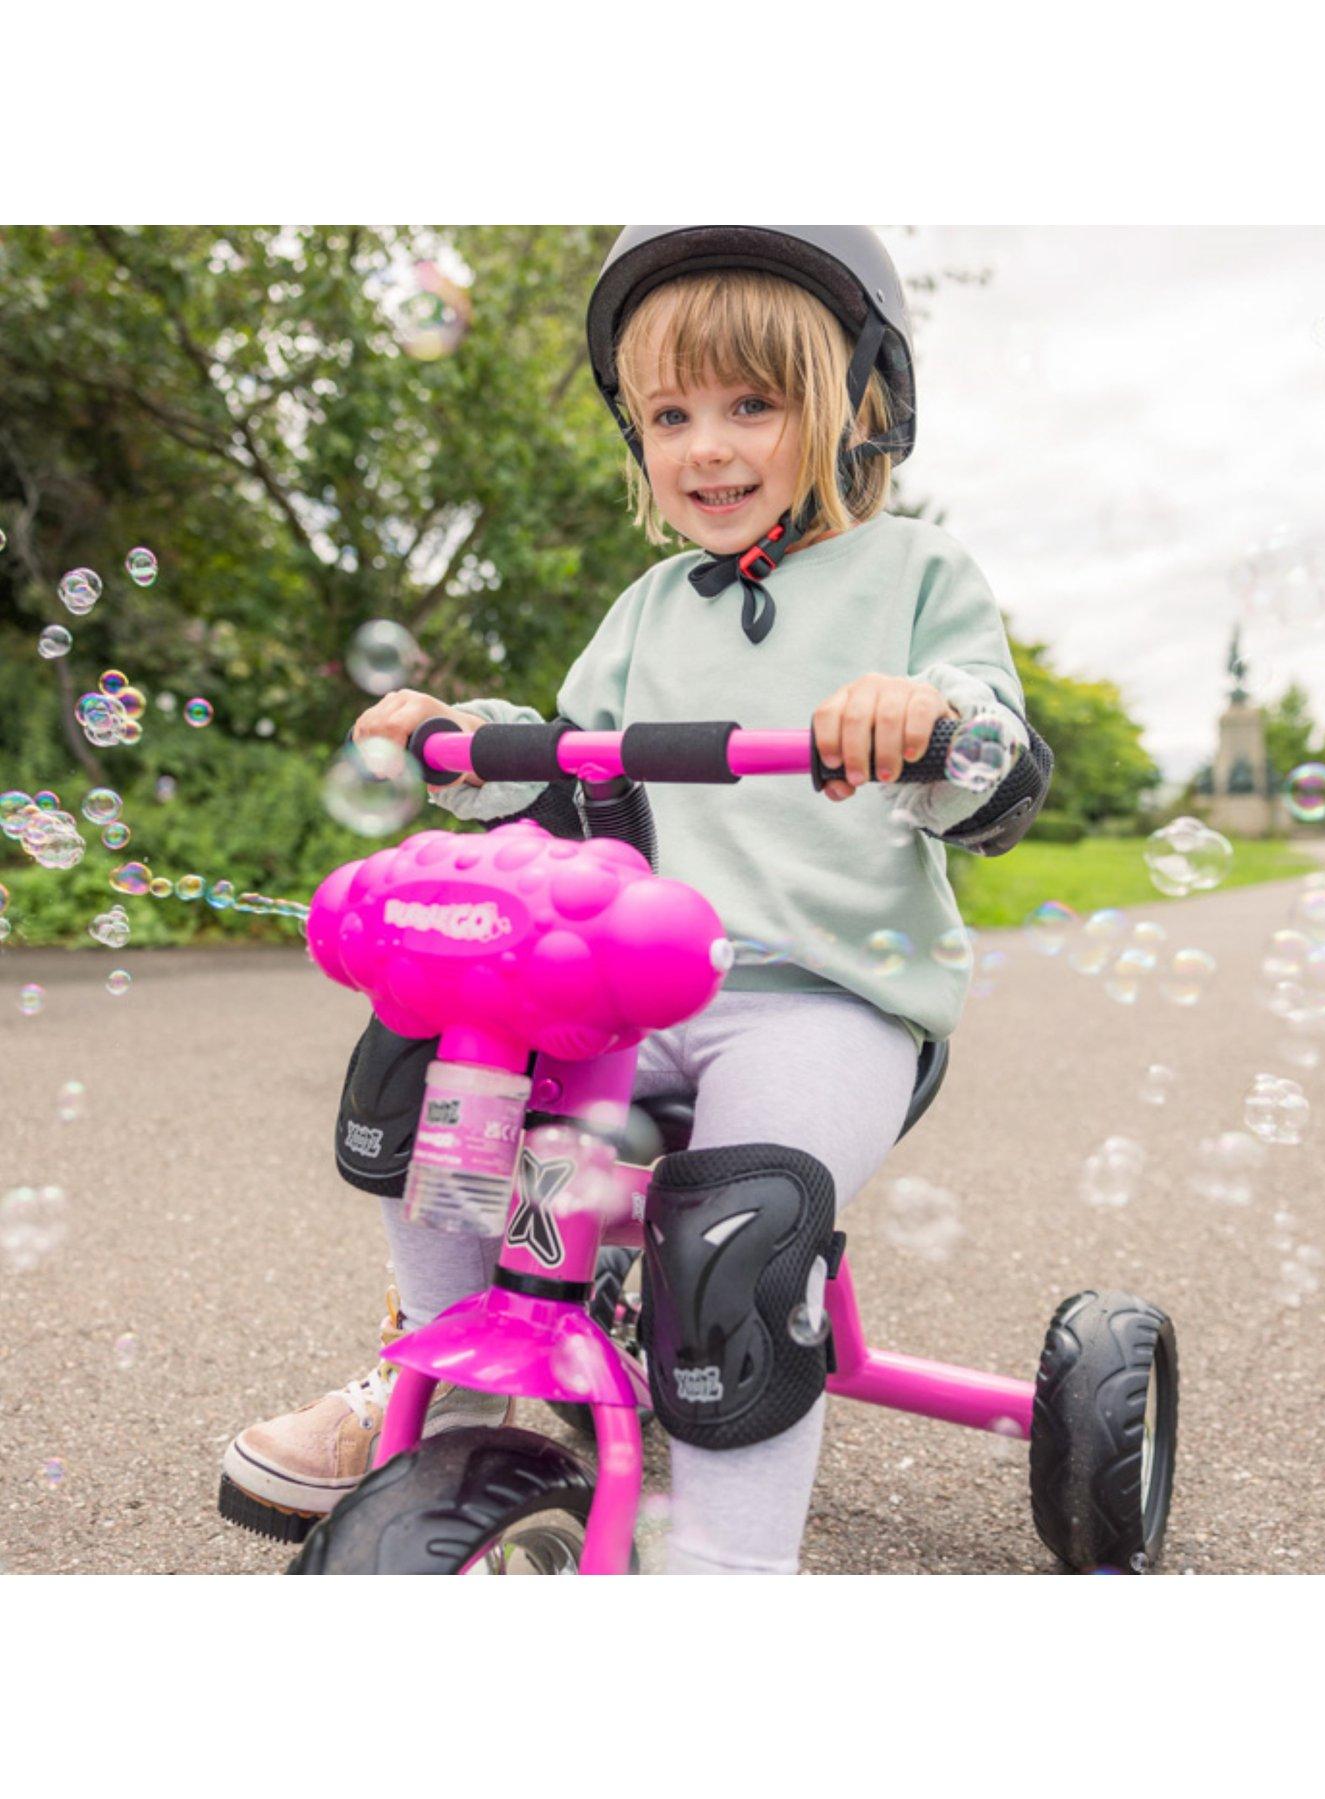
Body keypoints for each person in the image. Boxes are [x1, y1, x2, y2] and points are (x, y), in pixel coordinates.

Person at [220, 226, 1045, 1570]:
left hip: (825, 997)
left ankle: (727, 1566)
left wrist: (923, 716)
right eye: (669, 414)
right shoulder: (651, 606)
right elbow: (561, 769)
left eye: (751, 404)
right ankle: (454, 1389)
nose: (705, 446)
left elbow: (993, 766)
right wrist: (457, 735)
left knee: (737, 1234)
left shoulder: (915, 578)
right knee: (424, 1074)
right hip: (636, 992)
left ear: (862, 410)